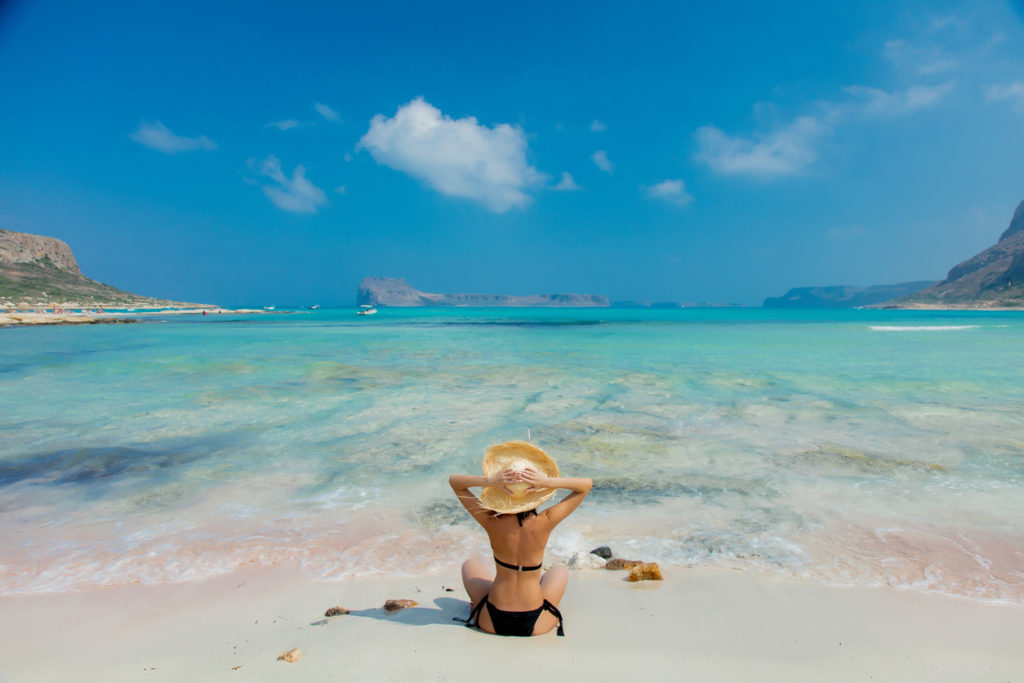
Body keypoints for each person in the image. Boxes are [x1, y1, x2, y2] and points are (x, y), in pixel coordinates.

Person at [449, 441, 592, 637]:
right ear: (535, 493)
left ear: (500, 492)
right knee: (559, 571)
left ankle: (483, 601)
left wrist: (490, 481)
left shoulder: (491, 520)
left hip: (491, 620)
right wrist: (547, 482)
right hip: (536, 624)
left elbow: (455, 482)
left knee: (470, 565)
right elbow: (585, 486)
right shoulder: (545, 521)